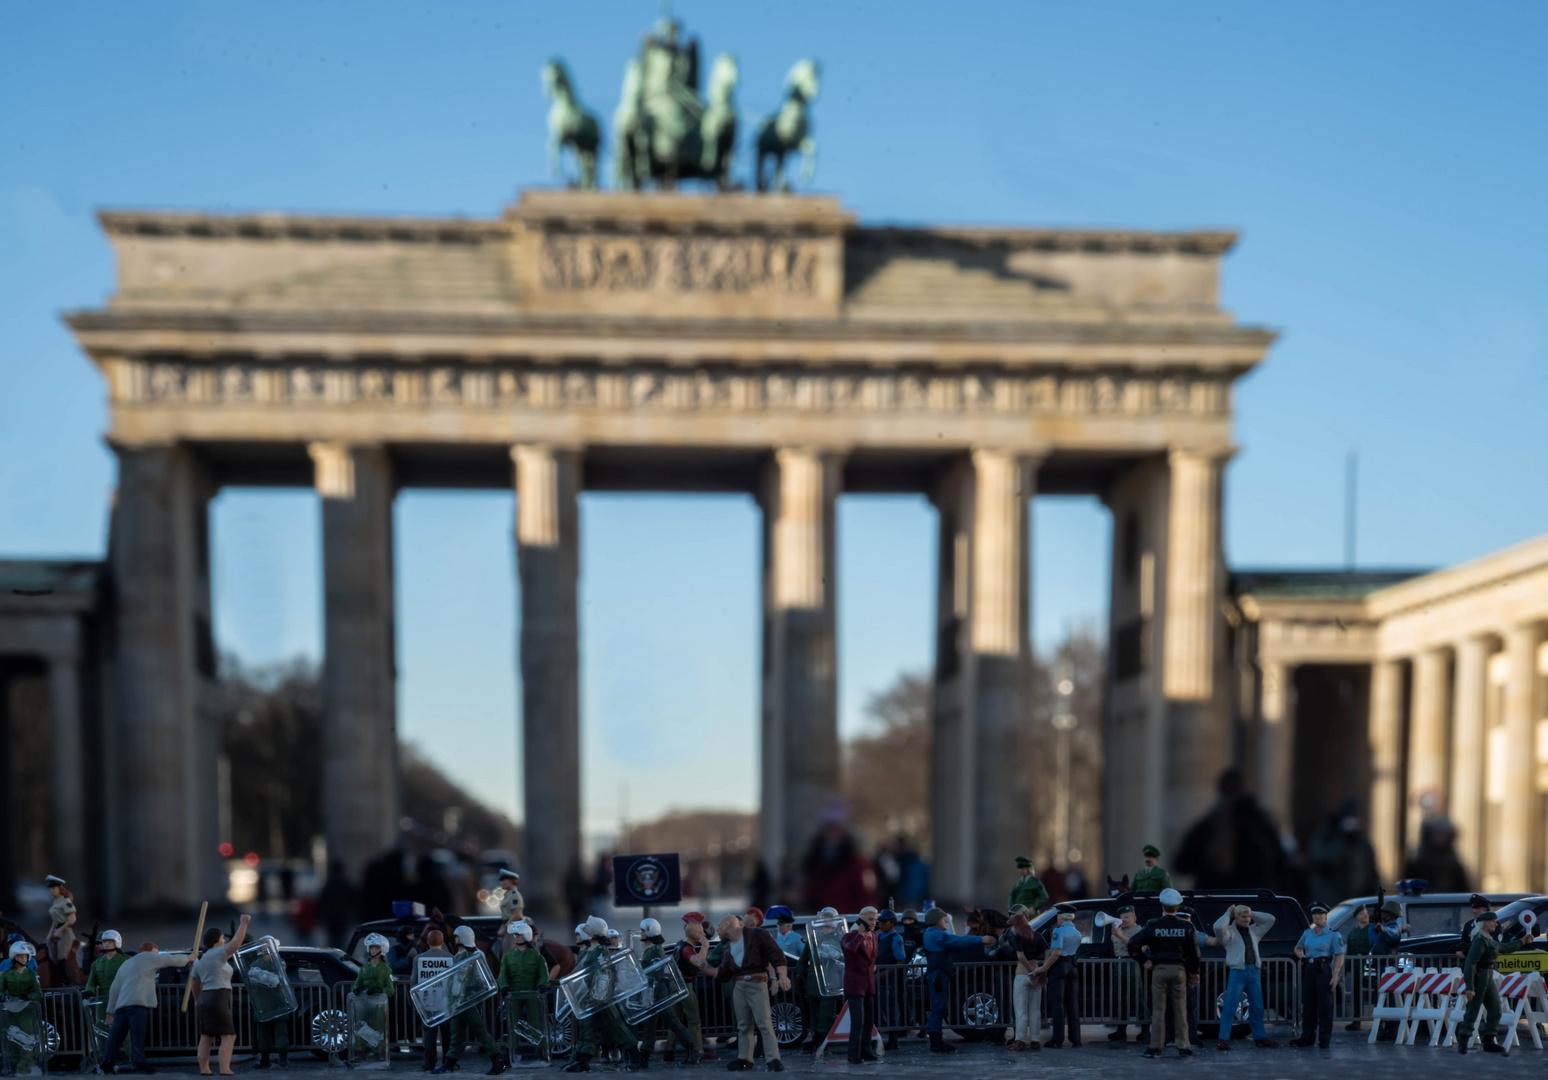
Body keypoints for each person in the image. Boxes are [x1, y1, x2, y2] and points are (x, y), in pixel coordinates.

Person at [692, 913, 790, 1072]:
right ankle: (745, 1058)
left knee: (764, 1023)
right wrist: (703, 968)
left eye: (720, 926)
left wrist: (783, 976)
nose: (718, 929)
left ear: (728, 925)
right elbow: (721, 973)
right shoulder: (729, 949)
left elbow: (776, 954)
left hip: (757, 983)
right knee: (743, 1026)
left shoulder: (756, 934)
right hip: (739, 985)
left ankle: (773, 1059)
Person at [1175, 768, 1285, 891]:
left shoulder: (1205, 827)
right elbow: (1281, 865)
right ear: (1247, 789)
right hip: (1254, 906)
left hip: (1212, 905)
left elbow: (1181, 865)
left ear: (1219, 791)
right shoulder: (1261, 827)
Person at [1121, 889, 1199, 1059]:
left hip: (1159, 969)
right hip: (1179, 970)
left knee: (1158, 1011)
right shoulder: (1187, 927)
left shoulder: (1153, 926)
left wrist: (1144, 960)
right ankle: (1184, 1046)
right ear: (1177, 907)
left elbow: (1133, 944)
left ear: (1162, 905)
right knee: (1180, 1009)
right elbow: (1194, 953)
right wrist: (1195, 973)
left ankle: (1155, 1047)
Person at [564, 917, 641, 1074]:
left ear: (594, 932)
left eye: (588, 928)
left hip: (602, 997)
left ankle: (635, 1056)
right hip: (593, 995)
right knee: (588, 1028)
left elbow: (605, 974)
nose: (585, 929)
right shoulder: (592, 950)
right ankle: (582, 1060)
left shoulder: (600, 951)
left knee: (617, 1027)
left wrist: (599, 995)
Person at [103, 941, 193, 1074]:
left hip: (122, 1004)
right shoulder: (148, 957)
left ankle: (107, 1061)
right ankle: (139, 1061)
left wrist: (110, 1012)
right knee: (138, 1033)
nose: (156, 957)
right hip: (138, 1003)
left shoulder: (126, 963)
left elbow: (114, 988)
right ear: (150, 951)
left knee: (116, 1035)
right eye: (155, 953)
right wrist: (189, 958)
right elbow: (170, 960)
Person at [1456, 910, 1534, 1055]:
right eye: (1492, 921)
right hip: (1480, 976)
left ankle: (1490, 1041)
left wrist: (1522, 941)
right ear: (1484, 923)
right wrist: (1470, 986)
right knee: (1473, 1010)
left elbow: (1502, 948)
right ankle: (1463, 1039)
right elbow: (1471, 963)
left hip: (1488, 975)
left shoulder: (1488, 939)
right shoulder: (1480, 940)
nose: (1495, 924)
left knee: (1495, 1008)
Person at [921, 908, 996, 1053]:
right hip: (938, 976)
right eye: (944, 919)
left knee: (940, 1007)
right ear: (936, 921)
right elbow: (958, 940)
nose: (947, 921)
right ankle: (936, 1042)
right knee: (938, 1008)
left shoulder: (933, 935)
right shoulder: (935, 935)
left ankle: (937, 1040)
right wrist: (981, 940)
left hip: (940, 975)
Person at [1211, 904, 1279, 1051]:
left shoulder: (1254, 931)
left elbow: (1270, 919)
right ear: (1235, 918)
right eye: (1243, 916)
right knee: (1229, 1006)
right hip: (1238, 972)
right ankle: (1223, 1038)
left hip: (1254, 971)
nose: (1247, 919)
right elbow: (1217, 927)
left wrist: (1251, 912)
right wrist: (1228, 913)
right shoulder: (1229, 933)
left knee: (1258, 1006)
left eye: (1248, 917)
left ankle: (1260, 1037)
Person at [191, 914, 251, 1076]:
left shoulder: (199, 960)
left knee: (206, 1036)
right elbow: (236, 943)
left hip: (204, 998)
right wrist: (243, 924)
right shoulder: (217, 954)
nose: (224, 940)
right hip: (218, 997)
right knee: (229, 1035)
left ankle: (205, 1069)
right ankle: (224, 1068)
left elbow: (194, 983)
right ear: (217, 939)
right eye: (222, 937)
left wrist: (197, 1000)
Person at [443, 925, 508, 1075]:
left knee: (479, 1030)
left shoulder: (473, 955)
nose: (455, 939)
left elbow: (478, 978)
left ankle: (497, 1060)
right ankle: (449, 1062)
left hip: (467, 1000)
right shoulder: (459, 955)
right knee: (456, 1032)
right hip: (459, 1001)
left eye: (458, 937)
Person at [633, 918, 698, 1067]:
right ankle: (645, 1054)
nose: (641, 933)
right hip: (651, 990)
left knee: (672, 1021)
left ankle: (692, 1048)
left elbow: (655, 972)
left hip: (658, 991)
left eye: (643, 930)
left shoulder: (655, 950)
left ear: (649, 931)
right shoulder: (650, 949)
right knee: (649, 1024)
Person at [1288, 903, 1344, 1049]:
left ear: (1326, 915)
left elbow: (1339, 955)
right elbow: (1297, 947)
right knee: (1308, 1004)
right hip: (1309, 968)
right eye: (1314, 914)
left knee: (1325, 1006)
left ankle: (1324, 1039)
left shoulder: (1333, 934)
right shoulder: (1307, 933)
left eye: (1320, 914)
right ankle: (1307, 1036)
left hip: (1323, 969)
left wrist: (1335, 975)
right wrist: (1302, 957)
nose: (1317, 917)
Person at [662, 912, 714, 1063]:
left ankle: (669, 1050)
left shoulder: (679, 944)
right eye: (701, 932)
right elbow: (699, 962)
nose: (703, 934)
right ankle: (698, 1050)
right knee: (694, 1020)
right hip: (684, 984)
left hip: (675, 984)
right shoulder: (687, 949)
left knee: (676, 1020)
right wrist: (705, 946)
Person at [1307, 800, 1380, 904]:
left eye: (1355, 816)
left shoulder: (1361, 843)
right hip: (1330, 898)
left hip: (1356, 900)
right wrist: (1343, 840)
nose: (1353, 821)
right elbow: (1321, 858)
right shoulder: (1327, 835)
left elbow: (1370, 870)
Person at [499, 920, 549, 1064]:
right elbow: (502, 975)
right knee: (513, 1023)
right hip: (514, 995)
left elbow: (543, 975)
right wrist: (503, 986)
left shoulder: (537, 956)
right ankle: (512, 1051)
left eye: (519, 934)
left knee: (536, 1022)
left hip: (532, 994)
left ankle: (540, 1050)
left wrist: (541, 985)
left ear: (526, 935)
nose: (516, 936)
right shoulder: (508, 957)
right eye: (515, 934)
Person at [795, 907, 844, 1051]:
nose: (826, 923)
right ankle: (816, 1039)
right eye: (824, 919)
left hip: (830, 980)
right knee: (814, 1014)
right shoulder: (814, 938)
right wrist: (799, 976)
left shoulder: (839, 939)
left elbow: (841, 958)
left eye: (829, 919)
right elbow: (803, 958)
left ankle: (824, 1041)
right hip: (813, 981)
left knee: (825, 1014)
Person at [1033, 907, 1082, 1048]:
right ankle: (1076, 1039)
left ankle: (1057, 1039)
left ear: (1061, 917)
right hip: (1073, 967)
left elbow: (1056, 952)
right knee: (1073, 1004)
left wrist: (1043, 968)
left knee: (1058, 1004)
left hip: (1059, 967)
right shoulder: (1077, 933)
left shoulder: (1058, 931)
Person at [840, 907, 880, 1065]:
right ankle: (853, 1054)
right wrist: (860, 934)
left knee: (869, 1020)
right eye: (870, 919)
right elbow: (850, 949)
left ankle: (866, 1050)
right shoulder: (849, 936)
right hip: (855, 983)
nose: (873, 922)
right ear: (861, 918)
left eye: (875, 919)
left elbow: (872, 957)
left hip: (868, 982)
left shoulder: (875, 936)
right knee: (858, 1021)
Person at [247, 936, 294, 1070]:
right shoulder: (255, 964)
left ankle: (283, 1058)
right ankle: (264, 1060)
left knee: (281, 1033)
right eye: (263, 945)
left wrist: (261, 976)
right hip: (262, 1004)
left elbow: (276, 979)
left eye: (268, 945)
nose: (265, 947)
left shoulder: (278, 962)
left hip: (278, 1003)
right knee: (263, 1035)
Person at [0, 941, 44, 1073]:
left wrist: (28, 997)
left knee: (27, 1038)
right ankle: (13, 1065)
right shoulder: (7, 974)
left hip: (26, 1009)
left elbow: (38, 993)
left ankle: (26, 1065)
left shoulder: (32, 975)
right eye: (20, 956)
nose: (24, 958)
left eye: (25, 956)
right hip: (11, 1010)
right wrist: (2, 996)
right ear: (14, 957)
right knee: (12, 1038)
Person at [352, 933, 395, 1063]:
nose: (373, 950)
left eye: (376, 948)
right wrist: (357, 989)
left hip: (378, 1005)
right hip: (363, 1004)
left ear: (382, 949)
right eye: (371, 948)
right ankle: (358, 1052)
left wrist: (379, 990)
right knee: (359, 1027)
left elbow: (391, 990)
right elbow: (357, 983)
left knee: (378, 1029)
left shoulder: (386, 970)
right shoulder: (364, 969)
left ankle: (379, 1053)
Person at [414, 929, 454, 1072]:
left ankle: (429, 1063)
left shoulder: (418, 959)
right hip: (446, 1003)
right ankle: (448, 1062)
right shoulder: (450, 958)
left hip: (427, 1003)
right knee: (447, 1035)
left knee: (429, 1036)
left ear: (427, 942)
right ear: (442, 943)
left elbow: (414, 983)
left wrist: (417, 1003)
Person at [1005, 911, 1045, 1051]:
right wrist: (1041, 970)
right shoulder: (1038, 936)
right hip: (1037, 972)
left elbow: (1021, 957)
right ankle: (1035, 1040)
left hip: (1022, 974)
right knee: (1035, 1010)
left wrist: (1029, 972)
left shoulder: (1017, 937)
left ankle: (1020, 1040)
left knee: (1021, 1010)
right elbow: (1048, 951)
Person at [1105, 905, 1146, 1042]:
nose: (1124, 920)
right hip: (1120, 964)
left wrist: (1120, 936)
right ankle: (1121, 1030)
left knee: (1137, 997)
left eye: (1127, 917)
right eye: (1122, 917)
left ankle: (1145, 1030)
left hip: (1132, 963)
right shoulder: (1117, 931)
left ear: (1134, 916)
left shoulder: (1139, 930)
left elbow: (1139, 947)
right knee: (1120, 998)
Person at [1404, 816, 1472, 893]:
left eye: (1445, 835)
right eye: (1438, 834)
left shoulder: (1453, 863)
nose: (1441, 839)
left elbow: (1462, 889)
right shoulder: (1417, 861)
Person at [873, 910, 907, 1050]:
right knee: (875, 1010)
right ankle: (875, 1038)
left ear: (892, 923)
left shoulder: (896, 938)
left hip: (888, 982)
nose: (881, 924)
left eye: (884, 921)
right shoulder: (876, 936)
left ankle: (893, 1040)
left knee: (891, 1011)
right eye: (880, 921)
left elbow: (900, 962)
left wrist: (882, 975)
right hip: (875, 980)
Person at [1343, 905, 1373, 1032]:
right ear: (1356, 917)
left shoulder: (1372, 929)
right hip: (1356, 966)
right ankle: (1356, 1020)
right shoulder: (1353, 932)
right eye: (1362, 914)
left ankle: (1380, 1020)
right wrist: (1344, 972)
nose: (1365, 915)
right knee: (1356, 993)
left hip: (1370, 966)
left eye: (1366, 913)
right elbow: (1349, 953)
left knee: (1374, 993)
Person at [44, 875, 77, 964]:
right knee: (51, 956)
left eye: (54, 888)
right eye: (50, 888)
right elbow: (54, 921)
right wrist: (50, 934)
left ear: (60, 888)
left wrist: (59, 930)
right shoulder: (55, 902)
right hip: (56, 932)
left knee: (61, 957)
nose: (51, 890)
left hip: (65, 933)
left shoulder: (65, 901)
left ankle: (67, 978)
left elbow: (72, 919)